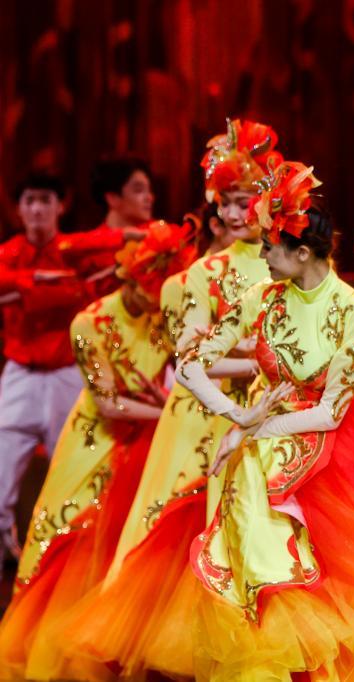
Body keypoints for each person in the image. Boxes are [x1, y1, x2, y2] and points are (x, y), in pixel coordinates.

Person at [173, 161, 354, 680]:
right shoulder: (261, 299)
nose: (261, 256)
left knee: (339, 591)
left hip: (333, 455)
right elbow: (188, 365)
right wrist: (236, 413)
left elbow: (329, 413)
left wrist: (251, 428)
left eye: (270, 247)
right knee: (257, 580)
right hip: (257, 456)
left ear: (303, 253)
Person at [64, 119, 284, 679]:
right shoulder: (196, 277)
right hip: (205, 417)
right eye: (228, 201)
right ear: (215, 207)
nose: (237, 212)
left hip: (272, 409)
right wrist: (262, 360)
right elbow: (191, 362)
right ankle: (192, 649)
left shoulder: (286, 262)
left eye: (248, 199)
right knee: (187, 528)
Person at [0, 222, 193, 681]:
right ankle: (59, 652)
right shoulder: (90, 322)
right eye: (148, 289)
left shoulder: (163, 317)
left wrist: (171, 406)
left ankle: (122, 647)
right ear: (129, 277)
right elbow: (108, 404)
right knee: (71, 533)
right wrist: (171, 410)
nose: (154, 301)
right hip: (98, 439)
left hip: (148, 435)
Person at [0, 172, 123, 561]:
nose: (37, 209)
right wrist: (33, 280)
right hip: (20, 374)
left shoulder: (74, 250)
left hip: (66, 375)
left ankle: (63, 562)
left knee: (70, 473)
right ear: (19, 209)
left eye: (45, 200)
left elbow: (115, 245)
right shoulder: (9, 254)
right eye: (29, 201)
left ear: (60, 206)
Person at [76, 155, 156, 297]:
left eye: (149, 190)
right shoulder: (90, 247)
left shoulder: (158, 236)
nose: (149, 197)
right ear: (112, 198)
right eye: (139, 190)